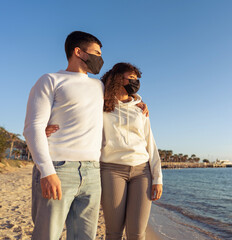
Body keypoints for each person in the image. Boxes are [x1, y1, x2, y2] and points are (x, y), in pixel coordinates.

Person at [24, 31, 147, 240]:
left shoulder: (99, 86)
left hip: (92, 171)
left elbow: (121, 95)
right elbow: (33, 126)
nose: (100, 58)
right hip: (58, 167)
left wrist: (138, 101)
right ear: (78, 52)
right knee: (47, 235)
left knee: (85, 237)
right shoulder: (51, 80)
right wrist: (46, 171)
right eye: (96, 53)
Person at [100, 62, 163, 240]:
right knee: (113, 232)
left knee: (136, 233)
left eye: (137, 79)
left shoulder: (140, 109)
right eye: (132, 78)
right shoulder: (102, 106)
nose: (135, 82)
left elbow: (150, 143)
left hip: (142, 172)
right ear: (118, 78)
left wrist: (157, 178)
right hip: (112, 170)